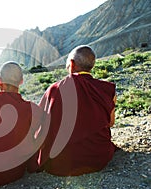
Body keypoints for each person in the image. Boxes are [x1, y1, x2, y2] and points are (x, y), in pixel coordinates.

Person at [36, 45, 118, 176]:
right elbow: (111, 123)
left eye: (67, 64)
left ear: (72, 64)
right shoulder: (108, 89)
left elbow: (41, 128)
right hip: (98, 158)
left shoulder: (55, 89)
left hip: (61, 163)